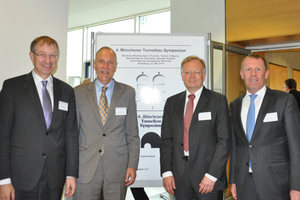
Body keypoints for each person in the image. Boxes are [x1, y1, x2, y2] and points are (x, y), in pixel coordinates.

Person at [0, 36, 79, 200]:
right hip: (20, 176)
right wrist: (4, 179)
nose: (48, 60)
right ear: (32, 56)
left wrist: (71, 174)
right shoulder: (12, 87)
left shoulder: (67, 91)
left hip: (54, 177)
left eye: (53, 55)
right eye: (42, 54)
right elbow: (3, 135)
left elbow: (71, 136)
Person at [160, 55, 231, 200]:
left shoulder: (218, 100)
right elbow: (166, 140)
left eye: (197, 72)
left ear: (204, 75)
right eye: (187, 72)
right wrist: (166, 172)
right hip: (179, 177)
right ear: (182, 75)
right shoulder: (172, 103)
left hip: (208, 177)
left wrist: (212, 175)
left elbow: (224, 141)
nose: (192, 76)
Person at [229, 54, 300, 200]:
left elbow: (296, 147)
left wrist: (296, 187)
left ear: (266, 73)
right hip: (244, 183)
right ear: (242, 74)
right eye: (248, 69)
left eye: (258, 69)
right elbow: (235, 147)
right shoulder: (235, 105)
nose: (253, 74)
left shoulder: (284, 101)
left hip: (276, 183)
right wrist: (234, 180)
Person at [73, 46, 140, 200]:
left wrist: (132, 165)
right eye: (101, 62)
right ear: (95, 64)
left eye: (110, 63)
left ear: (116, 66)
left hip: (117, 167)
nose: (105, 67)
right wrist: (70, 170)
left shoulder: (128, 93)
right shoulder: (78, 93)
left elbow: (132, 134)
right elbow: (73, 134)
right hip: (85, 167)